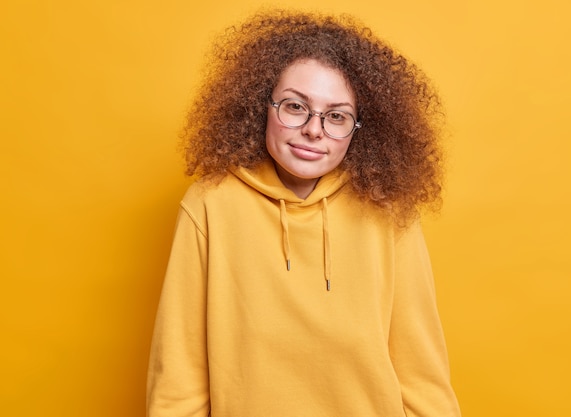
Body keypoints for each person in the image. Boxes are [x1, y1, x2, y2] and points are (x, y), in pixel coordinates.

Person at [147, 9, 461, 417]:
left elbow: (423, 376)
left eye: (336, 116)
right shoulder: (211, 204)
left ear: (361, 127)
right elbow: (178, 378)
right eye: (296, 107)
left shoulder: (389, 210)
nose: (314, 129)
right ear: (261, 105)